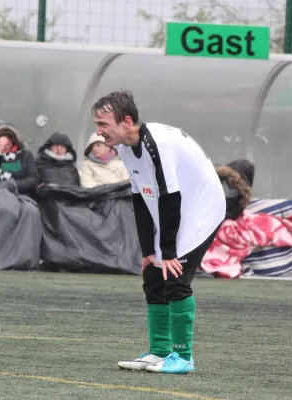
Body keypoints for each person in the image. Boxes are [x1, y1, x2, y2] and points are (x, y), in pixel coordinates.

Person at [92, 90, 226, 374]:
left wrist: (168, 252)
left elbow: (170, 197)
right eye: (97, 125)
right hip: (176, 205)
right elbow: (141, 199)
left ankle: (183, 357)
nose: (99, 131)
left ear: (126, 121)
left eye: (104, 124)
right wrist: (148, 252)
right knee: (153, 275)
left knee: (175, 275)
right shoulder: (126, 148)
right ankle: (159, 352)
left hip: (201, 207)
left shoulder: (158, 142)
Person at [0, 121, 38, 195]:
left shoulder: (26, 155)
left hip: (20, 196)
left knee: (29, 207)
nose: (5, 143)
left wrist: (12, 185)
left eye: (9, 138)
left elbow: (33, 180)